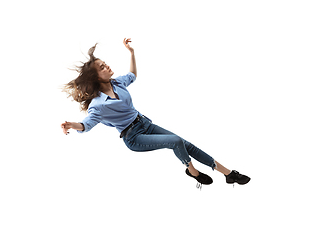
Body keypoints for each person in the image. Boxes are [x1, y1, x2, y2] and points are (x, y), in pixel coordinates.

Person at [61, 38, 250, 188]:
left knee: (186, 143)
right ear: (95, 77)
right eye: (102, 67)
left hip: (145, 124)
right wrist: (72, 125)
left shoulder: (117, 83)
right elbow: (87, 125)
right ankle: (192, 171)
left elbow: (133, 75)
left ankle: (228, 174)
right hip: (133, 137)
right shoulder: (98, 104)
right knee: (175, 142)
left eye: (105, 64)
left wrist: (132, 53)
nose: (107, 67)